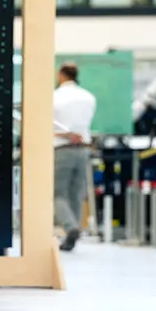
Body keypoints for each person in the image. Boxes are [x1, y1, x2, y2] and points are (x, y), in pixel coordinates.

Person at [53, 63, 96, 251]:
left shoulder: (55, 97)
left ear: (61, 75)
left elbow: (50, 124)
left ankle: (71, 228)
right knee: (75, 195)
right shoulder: (89, 97)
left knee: (58, 194)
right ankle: (73, 234)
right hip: (83, 150)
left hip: (62, 149)